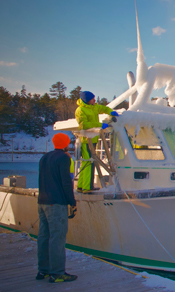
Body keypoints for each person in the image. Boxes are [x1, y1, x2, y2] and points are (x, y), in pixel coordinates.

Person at [37, 133, 78, 283]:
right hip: (57, 203)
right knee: (57, 238)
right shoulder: (64, 158)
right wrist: (72, 202)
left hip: (42, 201)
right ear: (66, 144)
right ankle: (57, 273)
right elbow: (66, 182)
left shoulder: (45, 157)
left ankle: (43, 270)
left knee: (43, 237)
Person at [75, 91, 119, 193]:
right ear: (87, 100)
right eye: (92, 99)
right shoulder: (80, 110)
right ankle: (87, 187)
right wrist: (99, 125)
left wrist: (110, 111)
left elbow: (102, 108)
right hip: (86, 140)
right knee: (89, 163)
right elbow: (84, 125)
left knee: (86, 162)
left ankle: (81, 186)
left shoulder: (93, 106)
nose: (94, 100)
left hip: (93, 139)